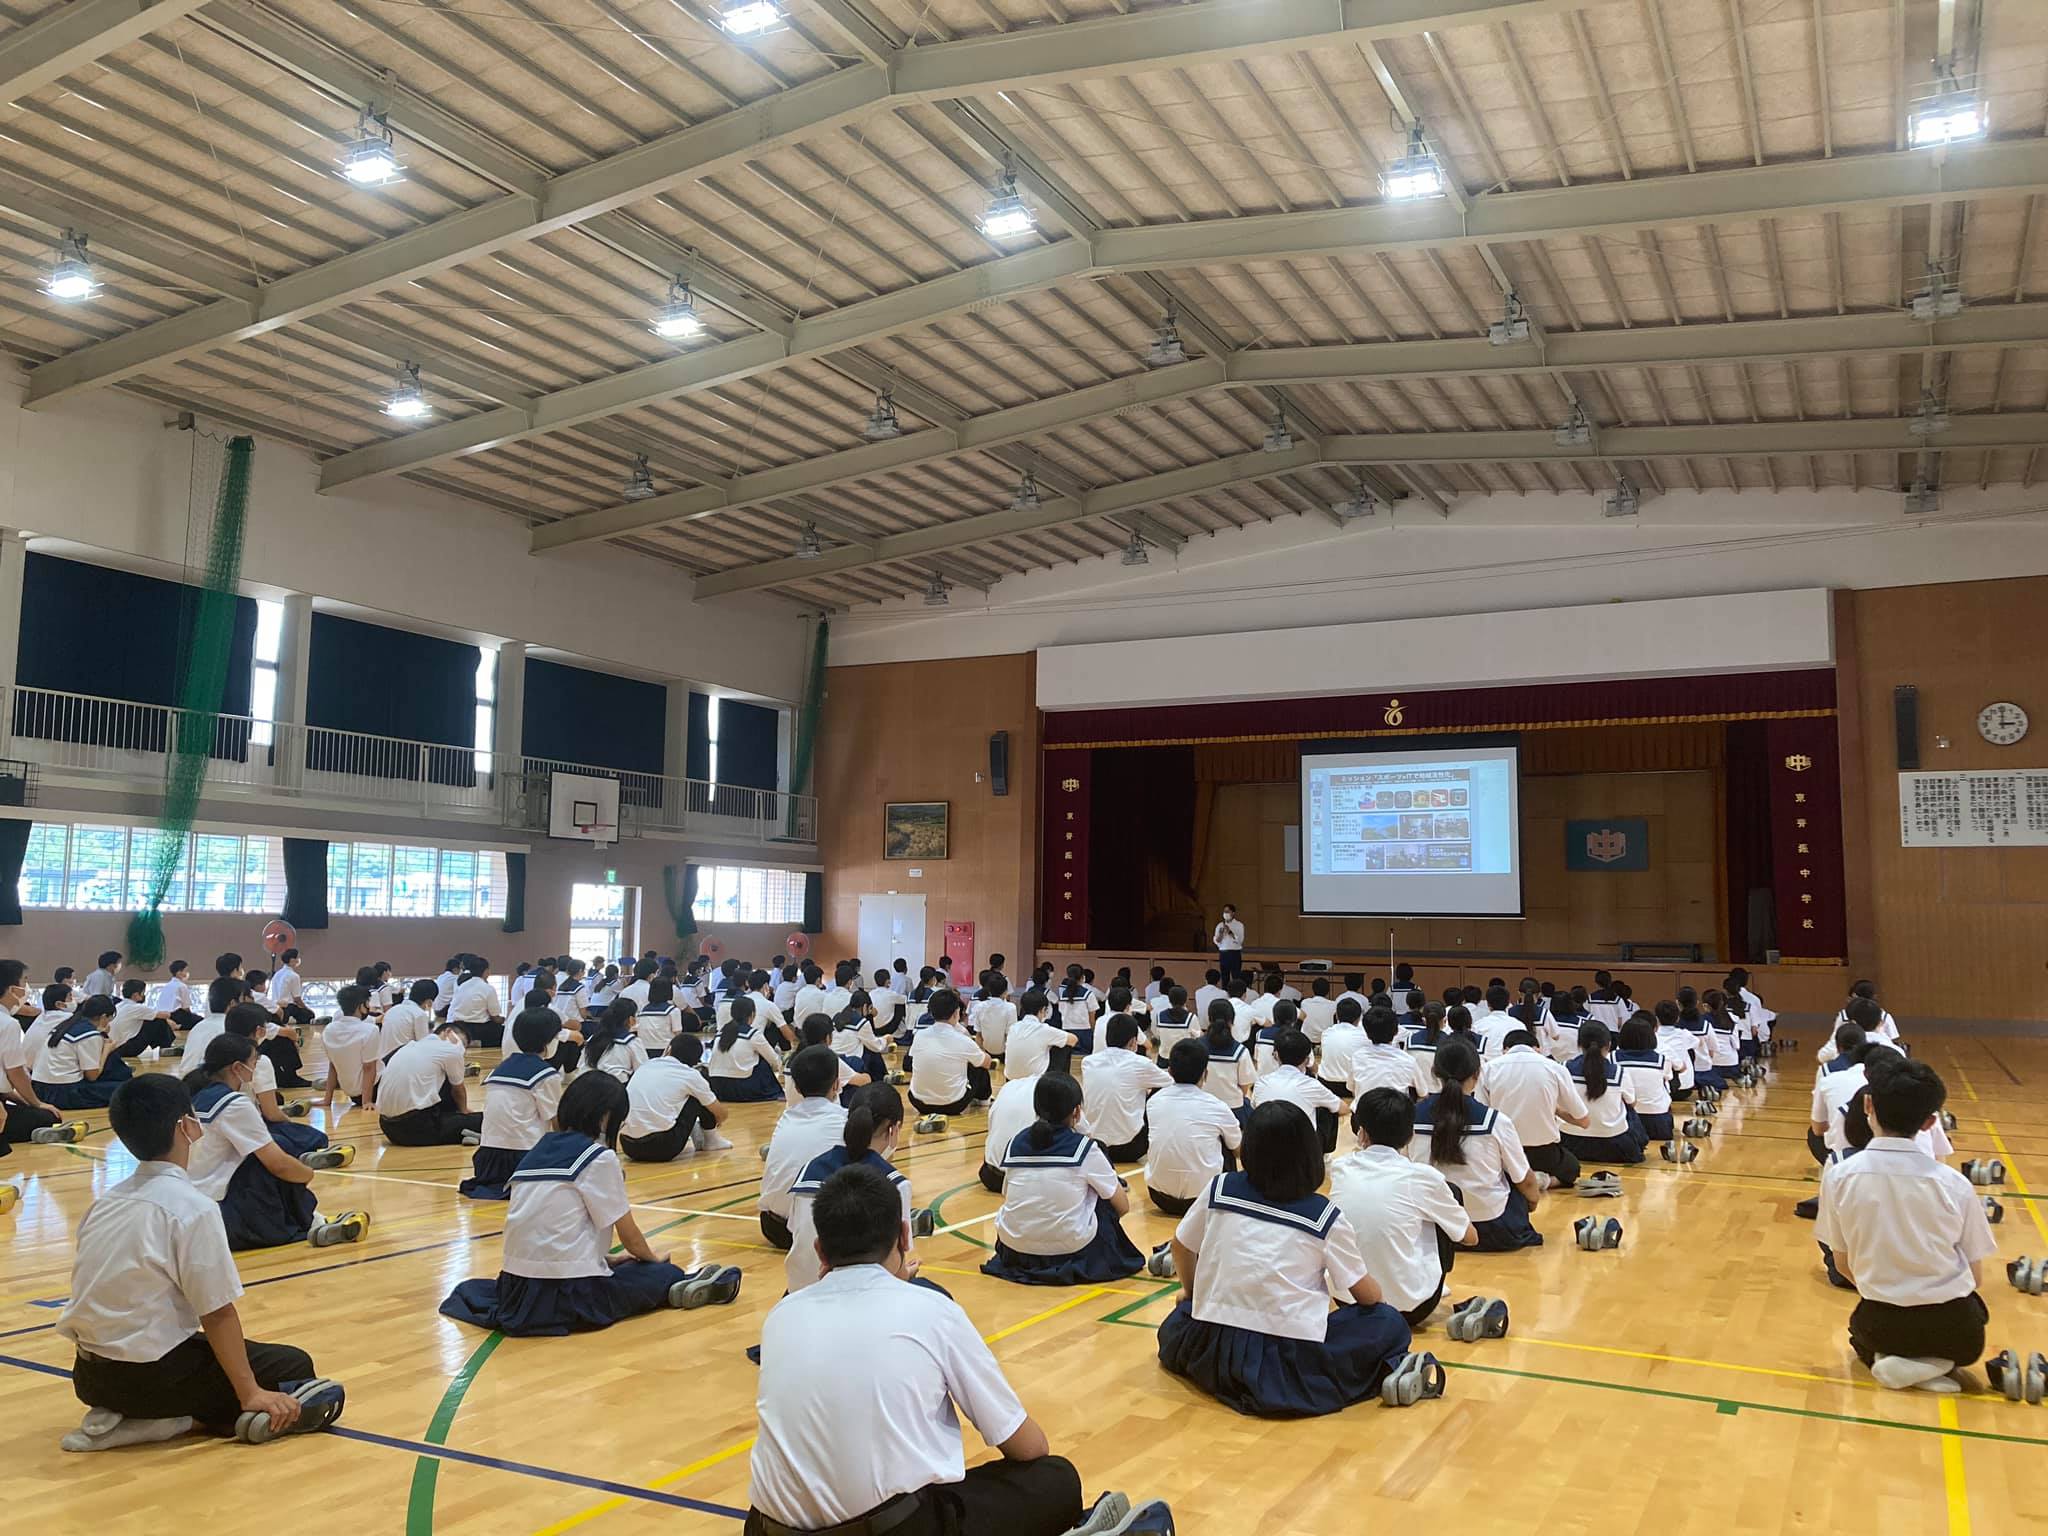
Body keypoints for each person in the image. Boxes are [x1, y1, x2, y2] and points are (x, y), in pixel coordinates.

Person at [747, 1164, 1162, 1536]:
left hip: (768, 1530)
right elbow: (1026, 1446)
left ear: (819, 1250)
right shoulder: (930, 1310)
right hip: (897, 1528)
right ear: (905, 1235)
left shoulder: (782, 1315)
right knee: (1054, 1479)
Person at [56, 1073, 346, 1451]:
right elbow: (217, 1313)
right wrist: (250, 1393)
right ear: (187, 1126)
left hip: (91, 1378)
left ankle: (130, 1411)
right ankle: (171, 1422)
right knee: (292, 1366)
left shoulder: (105, 1203)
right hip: (152, 1377)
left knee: (195, 1347)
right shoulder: (193, 1208)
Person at [1157, 1102, 1412, 1417]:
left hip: (1210, 1342)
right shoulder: (1323, 1216)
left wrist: (1192, 1293)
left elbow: (1181, 1246)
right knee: (1388, 1323)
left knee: (1182, 1313)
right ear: (1308, 1152)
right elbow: (1367, 1295)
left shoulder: (1220, 1187)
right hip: (1282, 1361)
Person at [441, 1073, 742, 1335]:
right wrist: (652, 1258)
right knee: (661, 1273)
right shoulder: (598, 1158)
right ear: (607, 1117)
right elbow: (631, 1236)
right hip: (571, 1291)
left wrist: (607, 1259)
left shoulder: (535, 1152)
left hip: (516, 1287)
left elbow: (547, 1226)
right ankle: (677, 1284)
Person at [1814, 1057, 1994, 1392]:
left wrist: (1889, 1290)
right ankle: (1935, 1364)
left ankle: (1896, 1361)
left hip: (1881, 1322)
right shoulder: (1955, 1185)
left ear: (1868, 1104)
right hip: (1955, 1331)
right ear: (1930, 1123)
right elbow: (1976, 1277)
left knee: (1860, 1334)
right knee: (1974, 1319)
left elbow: (1842, 1264)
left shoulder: (1838, 1176)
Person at [184, 1036, 363, 1250]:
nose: (255, 1067)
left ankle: (315, 1219)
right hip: (221, 1211)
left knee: (270, 1150)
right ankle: (314, 1222)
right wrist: (308, 1174)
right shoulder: (234, 1104)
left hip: (187, 1202)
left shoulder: (193, 1094)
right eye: (254, 1062)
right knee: (279, 1161)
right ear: (237, 1068)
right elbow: (278, 1164)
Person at [1329, 1087, 1477, 1328]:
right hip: (1410, 1309)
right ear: (1410, 1136)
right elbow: (1469, 1237)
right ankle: (1421, 1275)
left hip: (1347, 1298)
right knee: (1449, 1195)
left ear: (1361, 1133)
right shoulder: (1423, 1177)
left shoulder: (1341, 1167)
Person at [982, 1073, 1144, 1286]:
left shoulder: (1015, 1143)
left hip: (1014, 1250)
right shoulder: (1085, 1149)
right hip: (1070, 1252)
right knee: (1103, 1199)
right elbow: (1122, 1207)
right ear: (1077, 1111)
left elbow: (1007, 1195)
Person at [1413, 1037, 1543, 1250]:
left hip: (1431, 1227)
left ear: (1435, 1072)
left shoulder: (1412, 1117)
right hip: (1492, 1228)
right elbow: (1526, 1182)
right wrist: (1530, 1204)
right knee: (1515, 1175)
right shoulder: (1495, 1121)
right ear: (1477, 1074)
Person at [786, 1083, 916, 1294]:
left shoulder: (810, 1169)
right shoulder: (894, 1183)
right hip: (859, 1299)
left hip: (799, 1292)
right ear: (893, 1129)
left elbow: (797, 1233)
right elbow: (897, 1261)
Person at [461, 1008, 565, 1199]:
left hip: (487, 1160)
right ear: (548, 1040)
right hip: (523, 1158)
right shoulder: (546, 1075)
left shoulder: (499, 1069)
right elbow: (556, 1122)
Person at [1142, 1039, 1245, 1218]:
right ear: (1205, 1074)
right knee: (1226, 1141)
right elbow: (1238, 1151)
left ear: (1170, 1071)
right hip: (1205, 1199)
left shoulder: (1153, 1102)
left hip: (1159, 1197)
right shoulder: (1217, 1106)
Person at [760, 1047, 851, 1247]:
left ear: (798, 1088)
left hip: (772, 1226)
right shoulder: (845, 1120)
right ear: (836, 1084)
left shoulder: (786, 1118)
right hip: (819, 1231)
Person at [1478, 1028, 1588, 1189]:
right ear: (1538, 1048)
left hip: (1503, 1153)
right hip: (1544, 1154)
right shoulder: (1555, 1068)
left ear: (1504, 1050)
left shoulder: (1488, 1069)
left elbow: (1483, 1113)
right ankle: (1543, 1181)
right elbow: (1583, 1119)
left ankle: (1512, 1181)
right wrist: (1556, 1110)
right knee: (1571, 1169)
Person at [1081, 1015, 1173, 1163]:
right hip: (1131, 1148)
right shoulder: (1140, 1063)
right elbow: (1171, 1082)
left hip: (1095, 1145)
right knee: (1161, 1089)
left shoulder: (1088, 1062)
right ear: (1133, 1041)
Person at [0, 959, 70, 1152]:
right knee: (48, 1117)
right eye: (24, 981)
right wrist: (37, 1103)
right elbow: (15, 1074)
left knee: (29, 1110)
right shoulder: (7, 1023)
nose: (26, 987)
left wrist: (27, 1103)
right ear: (11, 988)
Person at [621, 1035, 727, 1163]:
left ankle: (697, 1133)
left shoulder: (645, 1066)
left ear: (668, 1049)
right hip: (663, 1148)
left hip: (628, 1145)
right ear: (696, 1060)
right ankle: (711, 1141)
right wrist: (716, 1119)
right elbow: (721, 1113)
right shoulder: (691, 1075)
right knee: (698, 1096)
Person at [378, 1021, 483, 1146]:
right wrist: (464, 1113)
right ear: (448, 1032)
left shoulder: (408, 1046)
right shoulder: (450, 1050)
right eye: (463, 1043)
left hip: (388, 1128)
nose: (462, 1050)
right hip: (418, 1129)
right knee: (484, 1119)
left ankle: (460, 1130)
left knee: (441, 1080)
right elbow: (458, 1091)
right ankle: (464, 1129)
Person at [1558, 1020, 1645, 1164]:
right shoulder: (1619, 1072)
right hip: (1614, 1145)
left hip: (1570, 1141)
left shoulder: (1563, 1068)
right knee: (1628, 1109)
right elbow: (1633, 1103)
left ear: (1579, 1044)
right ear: (1609, 1045)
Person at [1250, 1028, 1343, 1153]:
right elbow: (1342, 1108)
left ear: (1276, 1055)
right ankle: (1324, 1157)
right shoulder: (1311, 1085)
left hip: (1266, 1148)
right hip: (1302, 1151)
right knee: (1329, 1109)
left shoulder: (1261, 1083)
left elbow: (1254, 1107)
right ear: (1307, 1059)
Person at [33, 995, 131, 1110]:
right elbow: (92, 1076)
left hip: (39, 1088)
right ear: (104, 1017)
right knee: (128, 1090)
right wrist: (107, 1049)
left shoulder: (67, 1025)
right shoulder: (90, 1034)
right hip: (63, 1092)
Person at [909, 989, 992, 1115]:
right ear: (956, 1013)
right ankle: (984, 1101)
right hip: (953, 1105)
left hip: (919, 1102)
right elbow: (987, 1063)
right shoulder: (962, 1038)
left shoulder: (919, 1035)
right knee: (978, 1066)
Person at [316, 984, 381, 1118]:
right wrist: (367, 1102)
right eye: (368, 1003)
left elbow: (333, 1065)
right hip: (374, 1090)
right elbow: (369, 1068)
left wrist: (327, 1099)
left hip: (352, 1095)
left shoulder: (329, 1030)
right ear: (361, 1006)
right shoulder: (370, 1030)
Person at [1613, 1011, 1676, 1144]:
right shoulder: (1661, 1060)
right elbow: (1668, 1079)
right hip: (1658, 1122)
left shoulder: (1611, 1058)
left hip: (1622, 1120)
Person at [709, 995, 784, 1102]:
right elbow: (774, 1061)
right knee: (763, 1062)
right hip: (742, 1089)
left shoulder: (720, 1033)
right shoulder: (752, 1034)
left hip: (718, 1088)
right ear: (752, 1014)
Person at [1347, 1007, 1428, 1100]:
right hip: (1396, 1112)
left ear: (1367, 1034)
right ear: (1396, 1031)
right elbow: (1423, 1093)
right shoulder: (1408, 1060)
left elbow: (1352, 1089)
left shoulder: (1357, 1057)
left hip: (1363, 1111)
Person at [1006, 988, 1077, 1081]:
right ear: (1043, 1009)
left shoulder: (1013, 1027)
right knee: (1064, 1045)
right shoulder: (1044, 1029)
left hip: (1010, 1078)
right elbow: (1074, 1040)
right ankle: (1061, 1082)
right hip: (1035, 1080)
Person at [1199, 1001, 1255, 1117]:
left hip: (1202, 1106)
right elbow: (1245, 1086)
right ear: (1232, 1021)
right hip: (1233, 1109)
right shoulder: (1240, 1051)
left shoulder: (1196, 1047)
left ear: (1209, 1019)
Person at [1316, 996, 1369, 1101]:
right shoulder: (1364, 1036)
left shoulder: (1326, 1033)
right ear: (1359, 1018)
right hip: (1353, 1087)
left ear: (1336, 1016)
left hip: (1327, 1085)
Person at [380, 978, 438, 1058]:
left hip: (383, 1060)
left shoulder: (393, 1009)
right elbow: (424, 1045)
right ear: (429, 1001)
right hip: (402, 1061)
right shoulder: (419, 1014)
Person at [267, 948, 316, 1033]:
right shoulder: (294, 976)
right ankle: (290, 1019)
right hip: (288, 1007)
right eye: (297, 958)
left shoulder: (277, 974)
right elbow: (297, 999)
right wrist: (307, 1009)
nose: (298, 960)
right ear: (293, 960)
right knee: (309, 1015)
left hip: (275, 1005)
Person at [153, 960, 200, 1035]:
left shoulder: (166, 986)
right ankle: (178, 1026)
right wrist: (191, 1017)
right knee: (200, 1021)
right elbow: (186, 1008)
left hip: (163, 1015)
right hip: (176, 1015)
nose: (187, 973)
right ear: (179, 973)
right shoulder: (182, 986)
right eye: (185, 971)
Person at [1212, 903, 1245, 983]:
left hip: (1234, 953)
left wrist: (1230, 932)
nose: (1225, 913)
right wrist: (1220, 934)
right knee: (1224, 977)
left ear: (1233, 913)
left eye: (1228, 911)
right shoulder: (1220, 925)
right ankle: (1225, 993)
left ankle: (1236, 994)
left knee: (1236, 977)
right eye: (1224, 911)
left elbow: (1240, 941)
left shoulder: (1239, 925)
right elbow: (1217, 941)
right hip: (1224, 954)